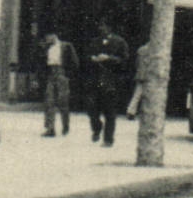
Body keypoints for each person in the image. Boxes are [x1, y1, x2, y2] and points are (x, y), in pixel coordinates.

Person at [87, 19, 131, 147]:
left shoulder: (120, 42)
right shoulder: (94, 42)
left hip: (112, 81)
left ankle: (108, 139)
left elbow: (125, 60)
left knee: (110, 111)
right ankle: (97, 127)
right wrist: (92, 59)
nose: (101, 29)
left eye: (104, 26)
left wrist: (109, 59)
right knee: (91, 108)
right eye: (100, 26)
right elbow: (86, 56)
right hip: (95, 79)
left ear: (110, 28)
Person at [41, 30, 80, 136]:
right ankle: (50, 128)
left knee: (63, 101)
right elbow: (41, 62)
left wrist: (67, 75)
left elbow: (75, 62)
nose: (47, 39)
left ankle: (65, 125)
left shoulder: (66, 46)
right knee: (49, 101)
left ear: (54, 35)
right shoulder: (46, 47)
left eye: (48, 36)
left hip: (62, 73)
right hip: (50, 73)